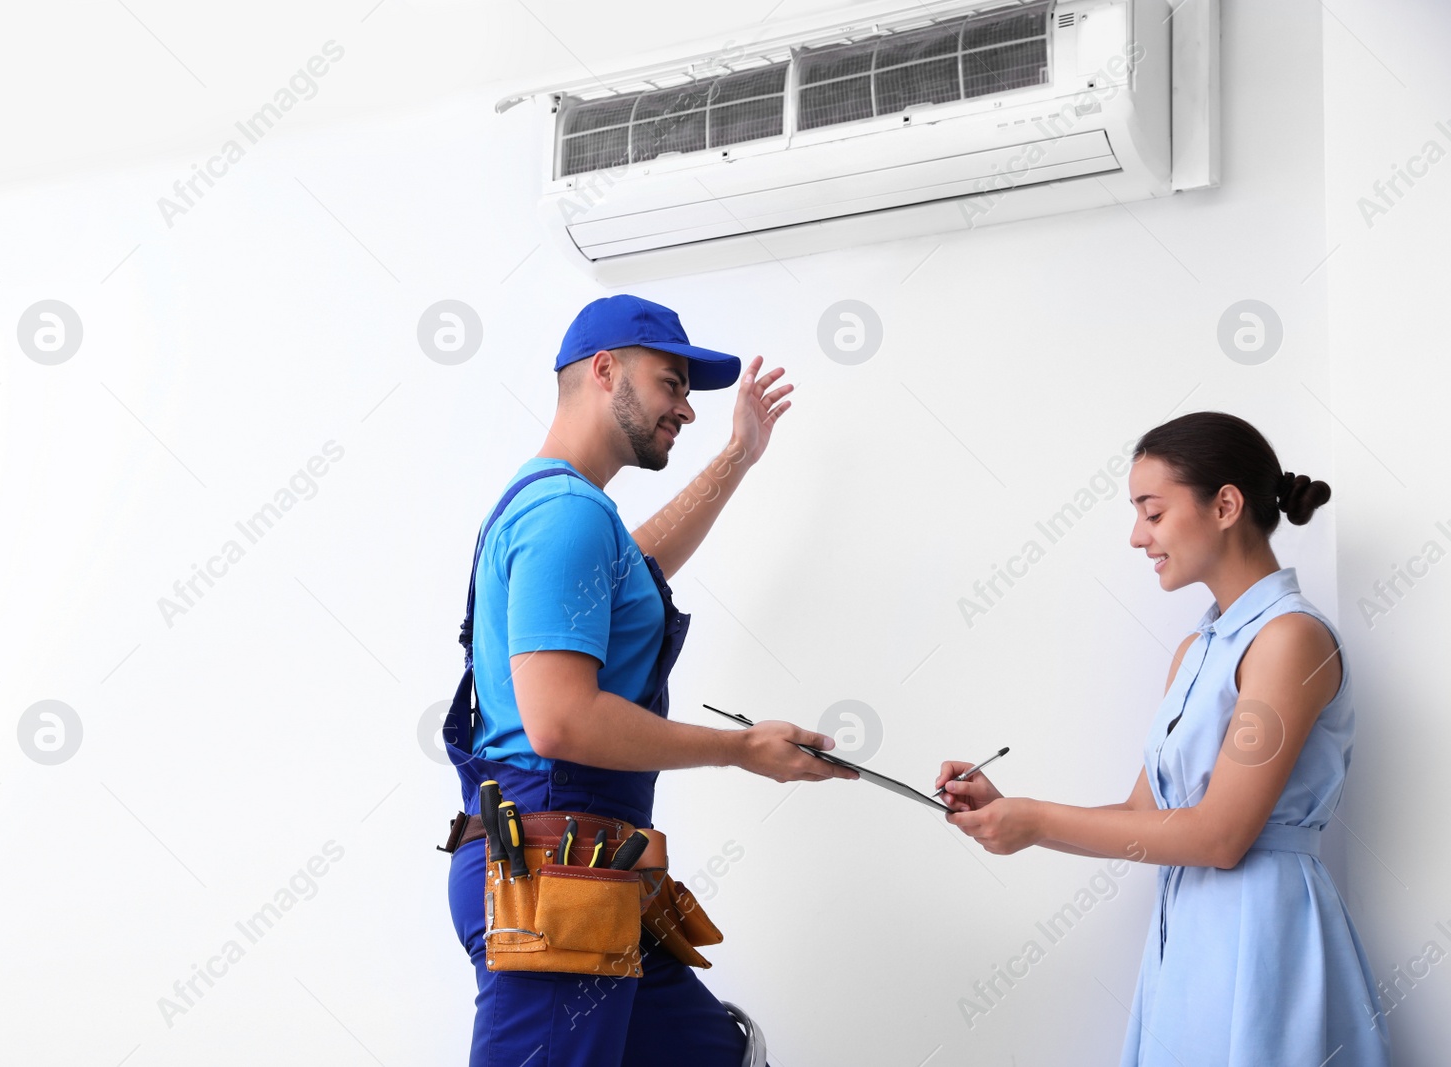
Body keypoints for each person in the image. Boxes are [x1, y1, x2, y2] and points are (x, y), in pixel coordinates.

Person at [442, 294, 857, 1067]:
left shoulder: (569, 513)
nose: (686, 410)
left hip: (590, 874)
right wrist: (741, 748)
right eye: (672, 384)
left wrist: (737, 457)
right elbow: (560, 720)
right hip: (556, 880)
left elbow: (637, 570)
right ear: (605, 370)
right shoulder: (565, 513)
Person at [936, 412, 1390, 1066]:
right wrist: (1010, 808)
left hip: (1267, 933)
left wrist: (1033, 822)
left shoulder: (1291, 640)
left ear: (1226, 504)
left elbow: (1219, 835)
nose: (1135, 536)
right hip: (1189, 937)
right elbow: (1146, 817)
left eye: (1151, 512)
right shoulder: (1196, 651)